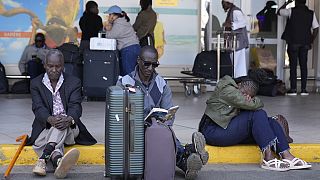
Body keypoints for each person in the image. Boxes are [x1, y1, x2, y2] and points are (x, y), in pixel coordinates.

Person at [117, 46, 208, 179]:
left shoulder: (162, 84)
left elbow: (168, 109)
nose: (150, 68)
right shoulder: (125, 82)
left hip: (156, 127)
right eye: (146, 64)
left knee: (165, 135)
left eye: (154, 65)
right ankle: (189, 154)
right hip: (134, 129)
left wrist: (166, 120)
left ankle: (189, 159)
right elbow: (118, 113)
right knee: (159, 140)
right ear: (138, 60)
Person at [198, 75, 312, 172]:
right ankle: (267, 157)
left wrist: (250, 101)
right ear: (239, 85)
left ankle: (286, 155)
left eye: (248, 96)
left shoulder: (236, 91)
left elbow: (249, 105)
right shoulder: (227, 89)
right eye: (243, 93)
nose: (244, 97)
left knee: (270, 121)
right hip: (212, 132)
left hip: (225, 127)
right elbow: (254, 105)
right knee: (258, 114)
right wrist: (252, 101)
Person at [27, 49, 97, 178]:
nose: (54, 70)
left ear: (63, 66)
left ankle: (42, 160)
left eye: (58, 66)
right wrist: (50, 119)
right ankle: (57, 159)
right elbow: (38, 107)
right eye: (50, 66)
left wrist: (69, 119)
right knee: (54, 128)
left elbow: (76, 106)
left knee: (60, 125)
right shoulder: (36, 83)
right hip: (45, 127)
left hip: (70, 127)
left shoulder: (73, 82)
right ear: (45, 65)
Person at [277, 0, 319, 96]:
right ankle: (304, 89)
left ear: (296, 2)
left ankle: (293, 89)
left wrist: (287, 3)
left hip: (293, 42)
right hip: (305, 43)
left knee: (293, 66)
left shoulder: (291, 11)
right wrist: (311, 40)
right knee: (304, 66)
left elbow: (279, 12)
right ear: (305, 2)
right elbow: (316, 28)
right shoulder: (311, 13)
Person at [104, 5, 141, 76]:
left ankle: (131, 87)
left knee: (128, 73)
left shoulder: (119, 23)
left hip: (129, 50)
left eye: (110, 14)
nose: (108, 16)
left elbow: (110, 36)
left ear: (114, 15)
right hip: (133, 48)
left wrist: (108, 29)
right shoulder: (122, 21)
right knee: (133, 73)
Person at [221, 0, 249, 78]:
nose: (222, 5)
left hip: (238, 43)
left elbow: (243, 22)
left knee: (239, 65)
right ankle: (236, 81)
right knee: (235, 65)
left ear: (227, 2)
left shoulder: (235, 11)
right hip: (234, 44)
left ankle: (239, 82)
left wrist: (231, 25)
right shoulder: (231, 11)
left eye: (223, 3)